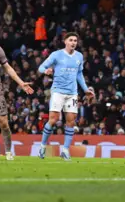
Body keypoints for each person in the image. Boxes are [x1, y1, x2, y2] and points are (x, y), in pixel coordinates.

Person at [38, 32, 94, 161]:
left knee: (71, 121)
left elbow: (79, 74)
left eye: (75, 40)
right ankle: (42, 147)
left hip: (72, 93)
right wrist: (45, 71)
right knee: (53, 119)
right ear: (65, 41)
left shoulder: (79, 56)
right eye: (71, 40)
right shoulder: (56, 55)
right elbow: (41, 67)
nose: (73, 42)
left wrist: (85, 90)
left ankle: (65, 150)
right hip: (58, 91)